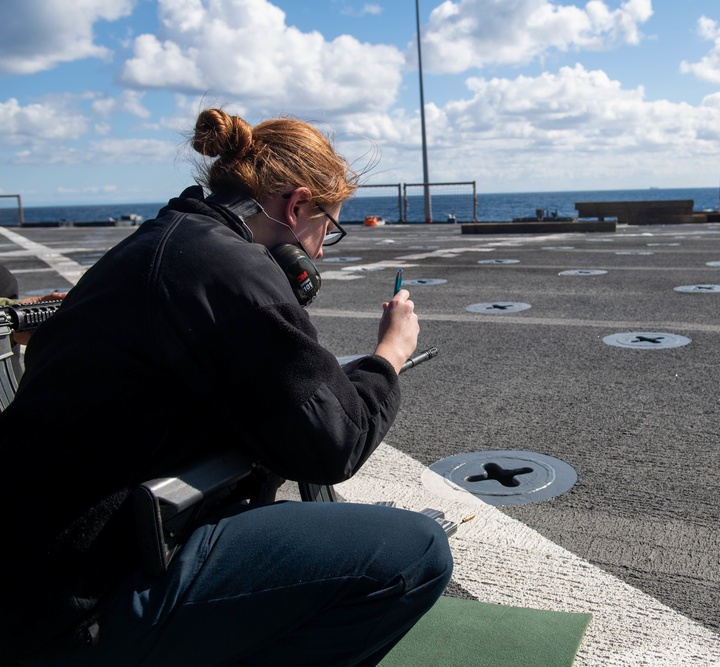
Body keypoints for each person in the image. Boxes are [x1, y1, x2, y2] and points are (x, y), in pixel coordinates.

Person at [0, 108, 453, 666]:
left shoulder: (160, 241)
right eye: (326, 230)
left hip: (29, 571)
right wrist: (390, 354)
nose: (317, 252)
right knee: (414, 553)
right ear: (298, 205)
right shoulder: (233, 270)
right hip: (81, 600)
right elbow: (335, 443)